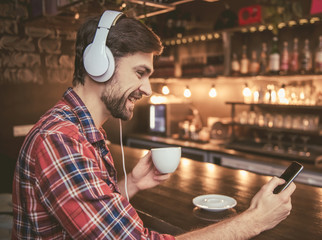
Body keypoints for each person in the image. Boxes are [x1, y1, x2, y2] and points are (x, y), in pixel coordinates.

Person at [12, 10, 296, 240]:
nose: (147, 89)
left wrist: (131, 183)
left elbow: (88, 212)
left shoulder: (80, 129)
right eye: (140, 73)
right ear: (99, 65)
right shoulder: (61, 140)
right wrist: (255, 220)